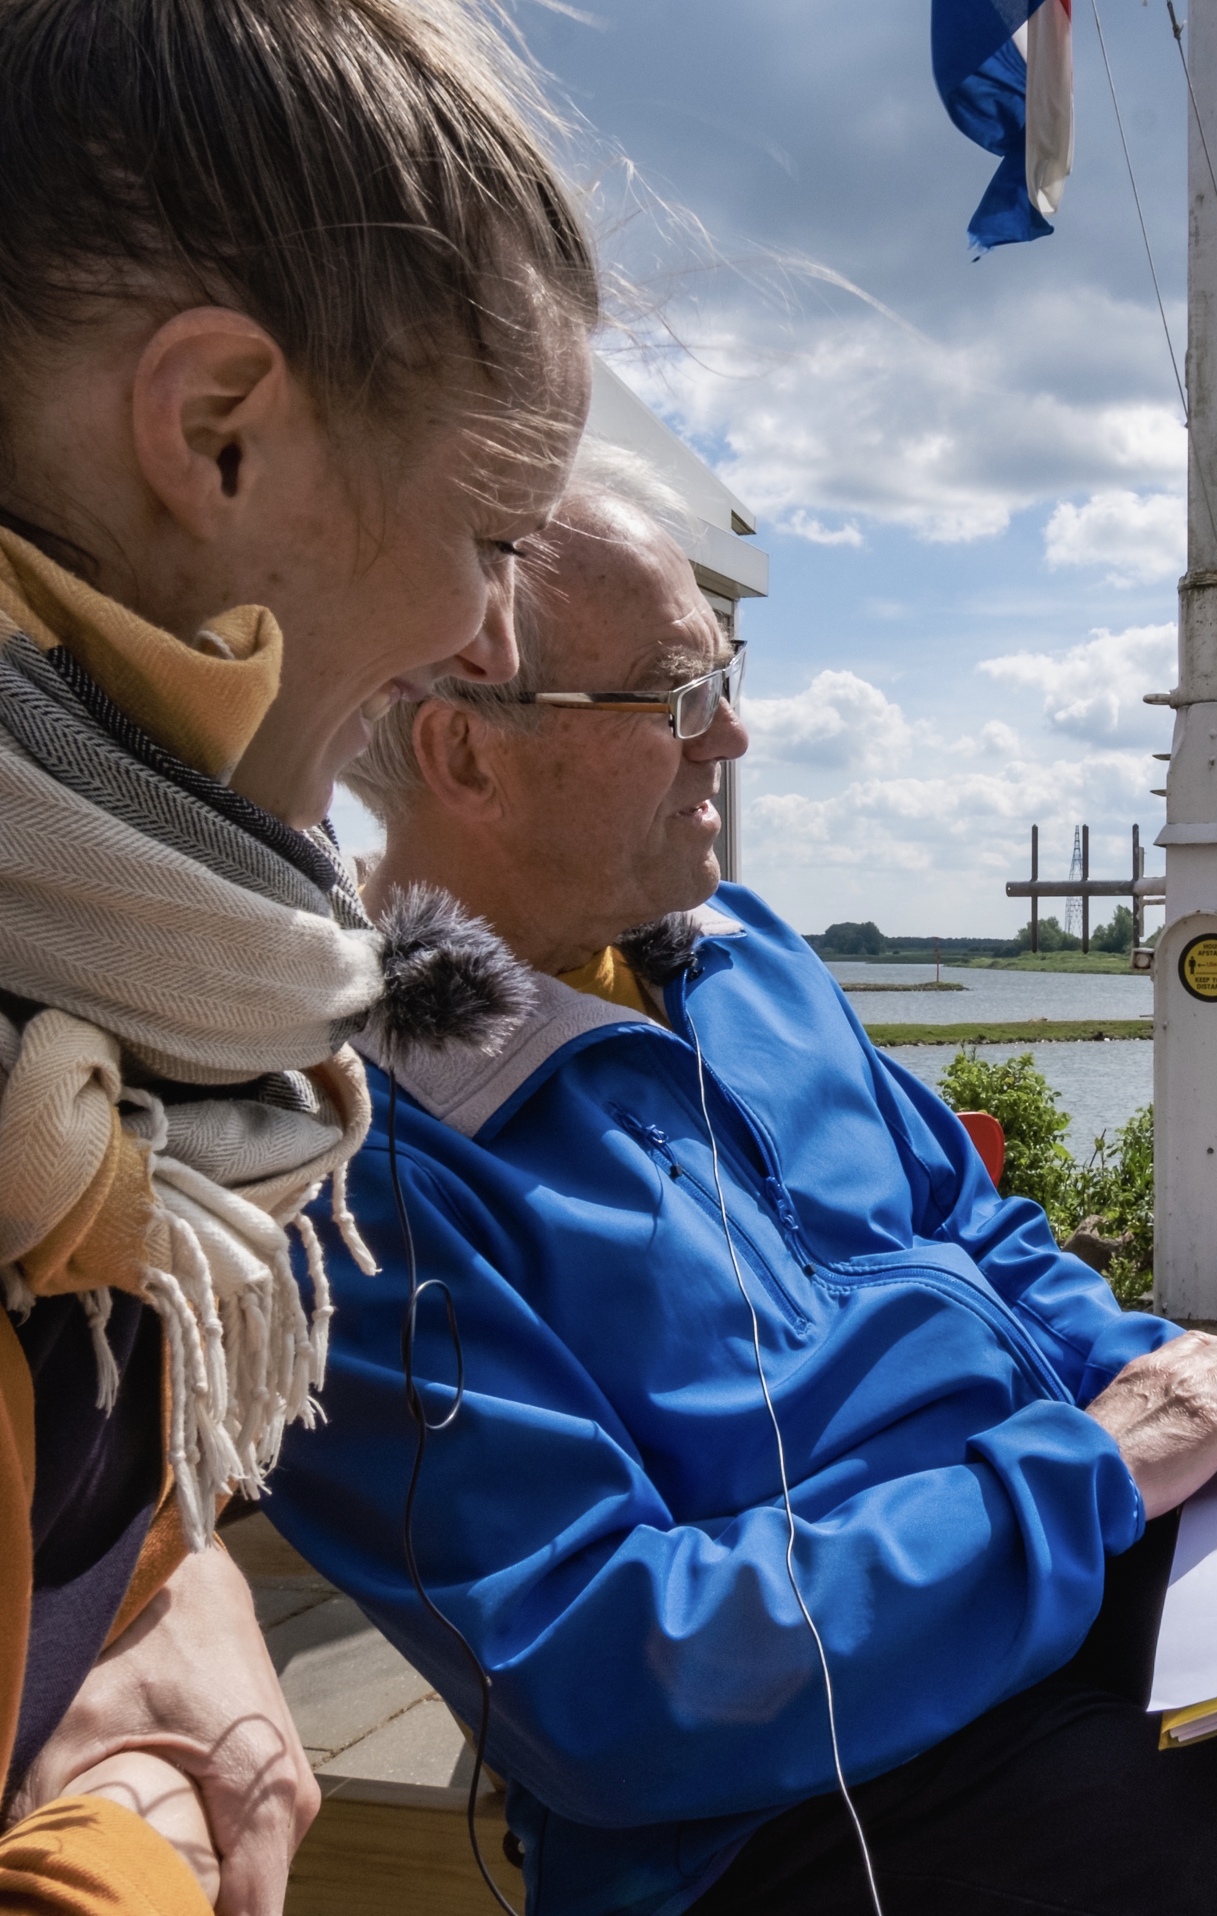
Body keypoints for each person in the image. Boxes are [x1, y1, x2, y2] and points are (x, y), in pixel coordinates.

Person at [270, 471, 1217, 1916]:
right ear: (466, 743)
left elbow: (977, 1237)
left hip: (1080, 1581)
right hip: (807, 1792)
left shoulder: (743, 961)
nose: (729, 739)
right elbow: (605, 1680)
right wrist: (1085, 1477)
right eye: (676, 698)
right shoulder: (361, 1163)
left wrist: (1198, 1397)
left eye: (723, 682)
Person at [0, 3, 597, 1909]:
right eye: (495, 530)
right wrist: (121, 1853)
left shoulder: (106, 1037)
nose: (491, 642)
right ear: (217, 433)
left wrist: (145, 1601)